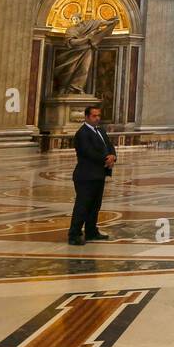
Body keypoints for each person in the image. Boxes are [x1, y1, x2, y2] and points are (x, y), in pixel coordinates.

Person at [69, 104, 114, 246]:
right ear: (87, 117)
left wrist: (113, 156)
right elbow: (88, 152)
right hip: (86, 175)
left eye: (99, 116)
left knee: (95, 205)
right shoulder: (82, 133)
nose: (97, 118)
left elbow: (109, 145)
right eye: (94, 116)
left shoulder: (100, 130)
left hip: (98, 174)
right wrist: (105, 159)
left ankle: (91, 231)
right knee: (83, 206)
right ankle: (74, 234)